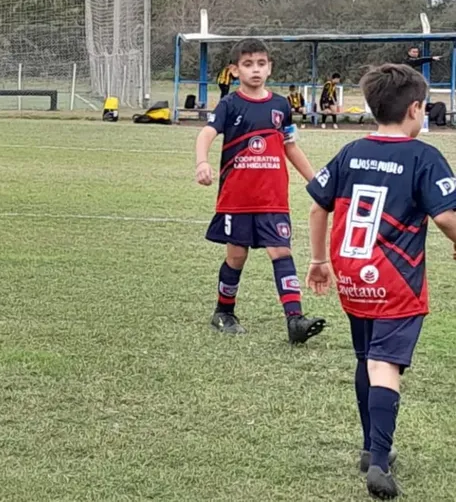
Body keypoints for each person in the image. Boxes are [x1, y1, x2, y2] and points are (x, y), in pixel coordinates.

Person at [305, 63, 456, 500]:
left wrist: (318, 261)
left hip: (352, 275)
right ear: (415, 109)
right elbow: (446, 216)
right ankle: (378, 462)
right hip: (395, 280)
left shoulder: (351, 151)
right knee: (384, 363)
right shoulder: (424, 156)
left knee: (366, 357)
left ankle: (371, 446)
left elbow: (318, 206)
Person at [194, 38, 326, 343]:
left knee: (281, 251)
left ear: (270, 68)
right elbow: (206, 133)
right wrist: (202, 163)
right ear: (235, 70)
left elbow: (290, 146)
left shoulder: (281, 105)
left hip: (273, 198)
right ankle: (223, 312)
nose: (255, 70)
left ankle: (295, 320)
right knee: (236, 257)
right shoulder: (230, 104)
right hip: (237, 199)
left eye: (261, 63)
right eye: (248, 64)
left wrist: (314, 180)